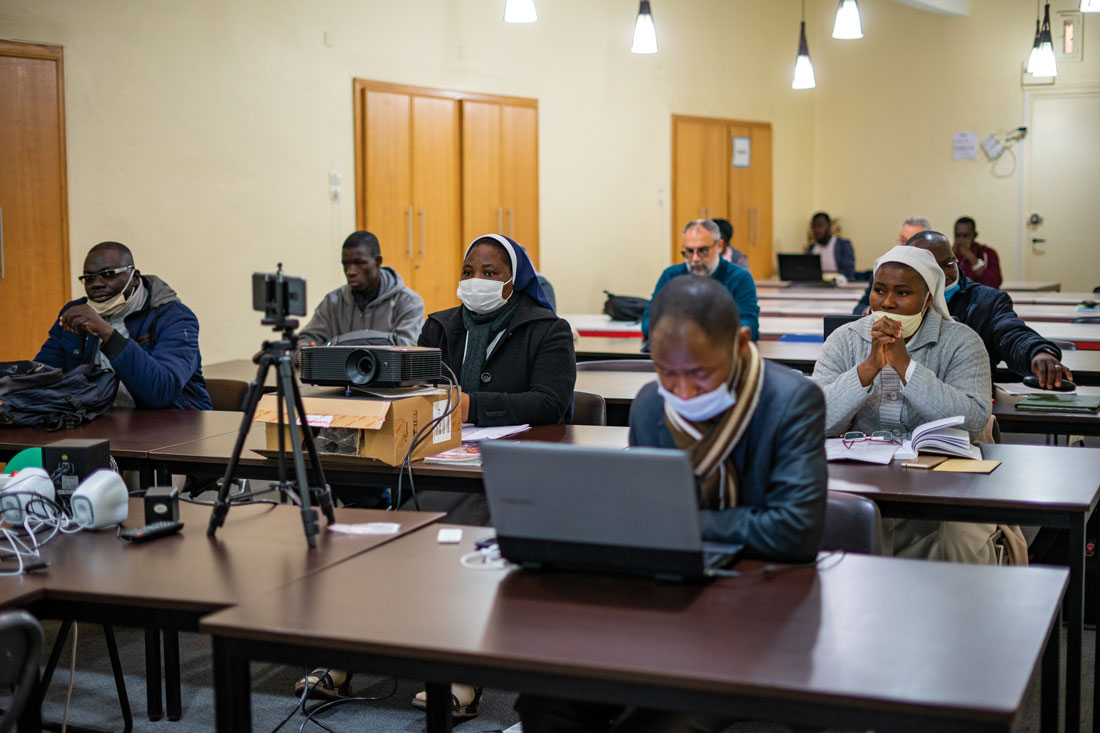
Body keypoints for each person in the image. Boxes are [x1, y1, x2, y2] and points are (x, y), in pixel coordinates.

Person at [515, 275, 827, 733]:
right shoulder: (650, 405)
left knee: (662, 723)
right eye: (666, 372)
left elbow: (794, 531)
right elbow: (647, 512)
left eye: (700, 374)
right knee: (545, 702)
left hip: (758, 609)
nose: (681, 391)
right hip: (667, 598)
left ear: (740, 343)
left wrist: (678, 523)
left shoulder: (791, 401)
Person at [296, 234, 575, 713]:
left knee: (460, 540)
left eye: (489, 272)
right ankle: (340, 659)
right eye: (468, 271)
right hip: (437, 460)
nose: (476, 280)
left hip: (511, 471)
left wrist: (473, 406)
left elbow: (550, 403)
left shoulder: (546, 329)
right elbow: (417, 388)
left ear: (514, 280)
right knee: (377, 535)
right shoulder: (441, 325)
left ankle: (462, 676)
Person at [812, 243, 998, 563]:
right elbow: (813, 422)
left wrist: (906, 367)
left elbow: (973, 419)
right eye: (879, 290)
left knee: (957, 540)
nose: (887, 302)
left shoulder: (962, 342)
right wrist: (868, 369)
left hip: (943, 486)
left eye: (902, 293)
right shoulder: (844, 340)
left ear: (927, 300)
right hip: (860, 481)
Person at [35, 241, 211, 410]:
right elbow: (43, 375)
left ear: (134, 278)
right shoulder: (76, 314)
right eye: (88, 278)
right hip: (101, 419)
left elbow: (161, 392)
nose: (96, 284)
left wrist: (106, 332)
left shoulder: (175, 317)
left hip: (175, 421)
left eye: (109, 274)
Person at [909, 231, 1071, 389]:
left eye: (949, 264)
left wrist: (1036, 352)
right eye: (931, 267)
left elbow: (1010, 333)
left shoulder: (986, 302)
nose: (942, 274)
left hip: (970, 398)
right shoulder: (898, 303)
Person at [297, 230, 425, 349]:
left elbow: (408, 348)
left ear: (377, 261)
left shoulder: (408, 301)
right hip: (339, 368)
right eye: (346, 264)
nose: (350, 271)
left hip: (389, 368)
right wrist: (307, 350)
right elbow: (305, 341)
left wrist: (339, 343)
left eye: (359, 263)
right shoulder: (333, 302)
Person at [641, 219, 759, 341]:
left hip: (722, 350)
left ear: (719, 246)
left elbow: (749, 327)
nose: (695, 259)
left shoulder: (740, 278)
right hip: (678, 349)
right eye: (689, 251)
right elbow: (648, 323)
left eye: (703, 251)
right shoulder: (671, 276)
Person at [851, 216, 931, 315]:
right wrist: (870, 311)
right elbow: (859, 308)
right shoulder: (883, 271)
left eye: (913, 241)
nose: (906, 246)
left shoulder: (932, 274)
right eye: (903, 240)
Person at [953, 216, 1002, 289]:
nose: (961, 240)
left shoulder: (987, 253)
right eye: (957, 236)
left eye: (966, 236)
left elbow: (994, 283)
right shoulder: (949, 254)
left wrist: (970, 257)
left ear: (975, 235)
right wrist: (951, 256)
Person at [805, 211, 855, 280]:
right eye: (814, 227)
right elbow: (806, 271)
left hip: (837, 284)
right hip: (816, 284)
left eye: (820, 226)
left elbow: (848, 272)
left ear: (829, 226)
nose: (816, 230)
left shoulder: (843, 245)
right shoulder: (811, 248)